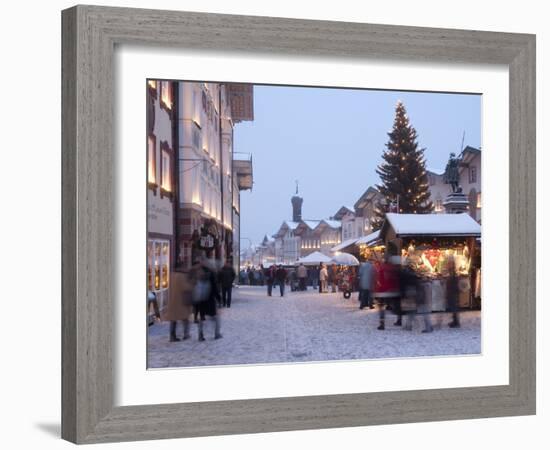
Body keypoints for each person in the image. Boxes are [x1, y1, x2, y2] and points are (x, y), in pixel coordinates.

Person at [191, 259, 222, 341]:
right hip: (210, 300)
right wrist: (219, 299)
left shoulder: (199, 274)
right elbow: (215, 288)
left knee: (201, 318)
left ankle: (200, 335)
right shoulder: (211, 274)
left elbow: (194, 286)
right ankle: (217, 334)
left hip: (201, 300)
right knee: (215, 318)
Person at [165, 271, 192, 342]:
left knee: (173, 320)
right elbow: (186, 287)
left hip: (173, 301)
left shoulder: (171, 275)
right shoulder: (181, 276)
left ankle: (172, 336)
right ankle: (186, 334)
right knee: (185, 318)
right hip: (180, 302)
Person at [446, 255, 461, 328]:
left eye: (449, 263)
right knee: (453, 307)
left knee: (454, 307)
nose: (448, 264)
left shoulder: (453, 273)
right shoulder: (452, 272)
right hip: (452, 292)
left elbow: (453, 282)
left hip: (453, 292)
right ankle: (455, 321)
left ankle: (456, 322)